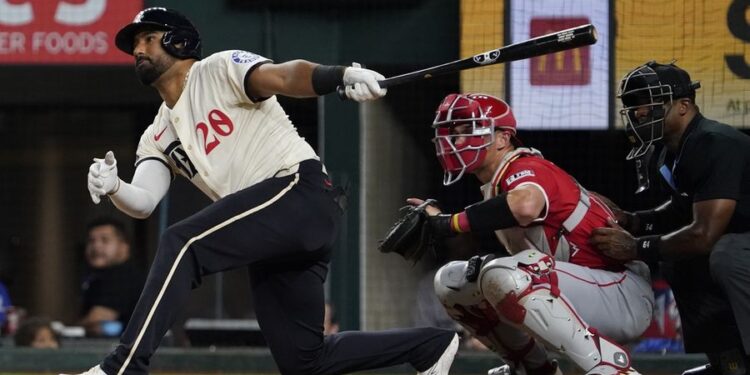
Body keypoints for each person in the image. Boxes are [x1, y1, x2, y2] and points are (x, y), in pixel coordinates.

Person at [75, 7, 458, 375]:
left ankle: (122, 367)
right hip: (271, 229)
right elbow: (143, 202)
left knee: (183, 242)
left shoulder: (217, 69)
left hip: (297, 192)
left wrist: (338, 74)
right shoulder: (156, 135)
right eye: (134, 45)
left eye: (148, 38)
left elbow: (285, 77)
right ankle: (430, 345)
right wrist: (115, 187)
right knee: (304, 362)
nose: (138, 50)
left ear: (178, 42)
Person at [408, 93, 654, 375]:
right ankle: (533, 368)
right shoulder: (496, 183)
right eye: (454, 133)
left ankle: (610, 368)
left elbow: (525, 205)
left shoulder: (526, 166)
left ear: (503, 138)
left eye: (468, 131)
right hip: (585, 289)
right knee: (452, 282)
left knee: (507, 274)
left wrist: (449, 223)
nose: (457, 141)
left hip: (622, 291)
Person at [590, 61, 750, 375]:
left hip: (738, 248)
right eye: (634, 105)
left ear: (683, 105)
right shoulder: (669, 153)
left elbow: (704, 234)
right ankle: (730, 362)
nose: (639, 112)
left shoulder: (715, 142)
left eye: (647, 102)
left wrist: (636, 247)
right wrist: (635, 221)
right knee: (679, 259)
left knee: (725, 254)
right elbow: (681, 210)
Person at [80, 217, 145, 337]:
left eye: (105, 240)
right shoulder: (95, 276)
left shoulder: (123, 276)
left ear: (124, 247)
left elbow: (98, 319)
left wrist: (74, 327)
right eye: (91, 241)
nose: (96, 246)